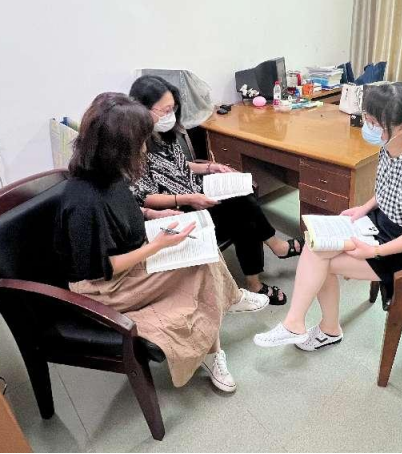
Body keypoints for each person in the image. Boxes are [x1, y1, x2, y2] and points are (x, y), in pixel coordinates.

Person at [54, 92, 270, 393]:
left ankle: (227, 303)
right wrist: (158, 245)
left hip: (129, 254)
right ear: (117, 148)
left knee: (201, 244)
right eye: (140, 143)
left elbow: (123, 209)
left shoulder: (107, 173)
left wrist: (152, 213)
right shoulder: (85, 203)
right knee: (199, 266)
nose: (145, 149)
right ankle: (216, 339)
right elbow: (103, 268)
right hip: (105, 287)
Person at [253, 82, 402, 350]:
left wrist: (374, 251)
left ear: (401, 126)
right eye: (367, 118)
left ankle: (317, 328)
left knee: (321, 262)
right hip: (385, 224)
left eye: (374, 122)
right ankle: (303, 325)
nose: (368, 126)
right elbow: (389, 187)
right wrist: (364, 208)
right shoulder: (392, 144)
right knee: (315, 247)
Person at [129, 75, 304, 306]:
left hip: (194, 194)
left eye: (173, 109)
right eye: (165, 110)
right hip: (176, 213)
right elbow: (145, 198)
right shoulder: (133, 146)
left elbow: (180, 166)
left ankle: (262, 270)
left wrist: (211, 167)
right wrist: (189, 198)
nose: (170, 115)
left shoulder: (162, 133)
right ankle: (271, 256)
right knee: (244, 213)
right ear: (141, 109)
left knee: (243, 196)